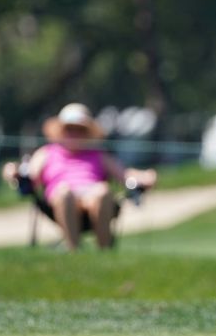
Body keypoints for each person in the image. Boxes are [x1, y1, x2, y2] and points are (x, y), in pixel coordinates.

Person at [9, 103, 156, 251]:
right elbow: (29, 174)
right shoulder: (46, 153)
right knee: (65, 192)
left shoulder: (99, 155)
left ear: (87, 132)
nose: (74, 134)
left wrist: (144, 177)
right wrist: (12, 171)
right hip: (59, 199)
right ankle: (74, 251)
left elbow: (124, 175)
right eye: (69, 129)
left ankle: (105, 252)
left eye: (79, 130)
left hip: (92, 198)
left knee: (103, 191)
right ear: (61, 131)